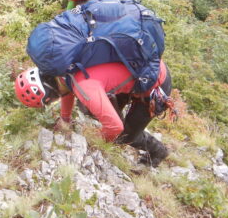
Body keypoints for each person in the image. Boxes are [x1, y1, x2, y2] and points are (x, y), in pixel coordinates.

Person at [15, 60, 173, 166]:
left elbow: (114, 128)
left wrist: (97, 141)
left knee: (123, 136)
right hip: (135, 69)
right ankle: (121, 116)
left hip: (154, 81)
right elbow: (67, 89)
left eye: (51, 99)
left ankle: (158, 151)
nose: (55, 99)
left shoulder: (84, 87)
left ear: (50, 93)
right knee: (88, 106)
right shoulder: (61, 67)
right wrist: (65, 119)